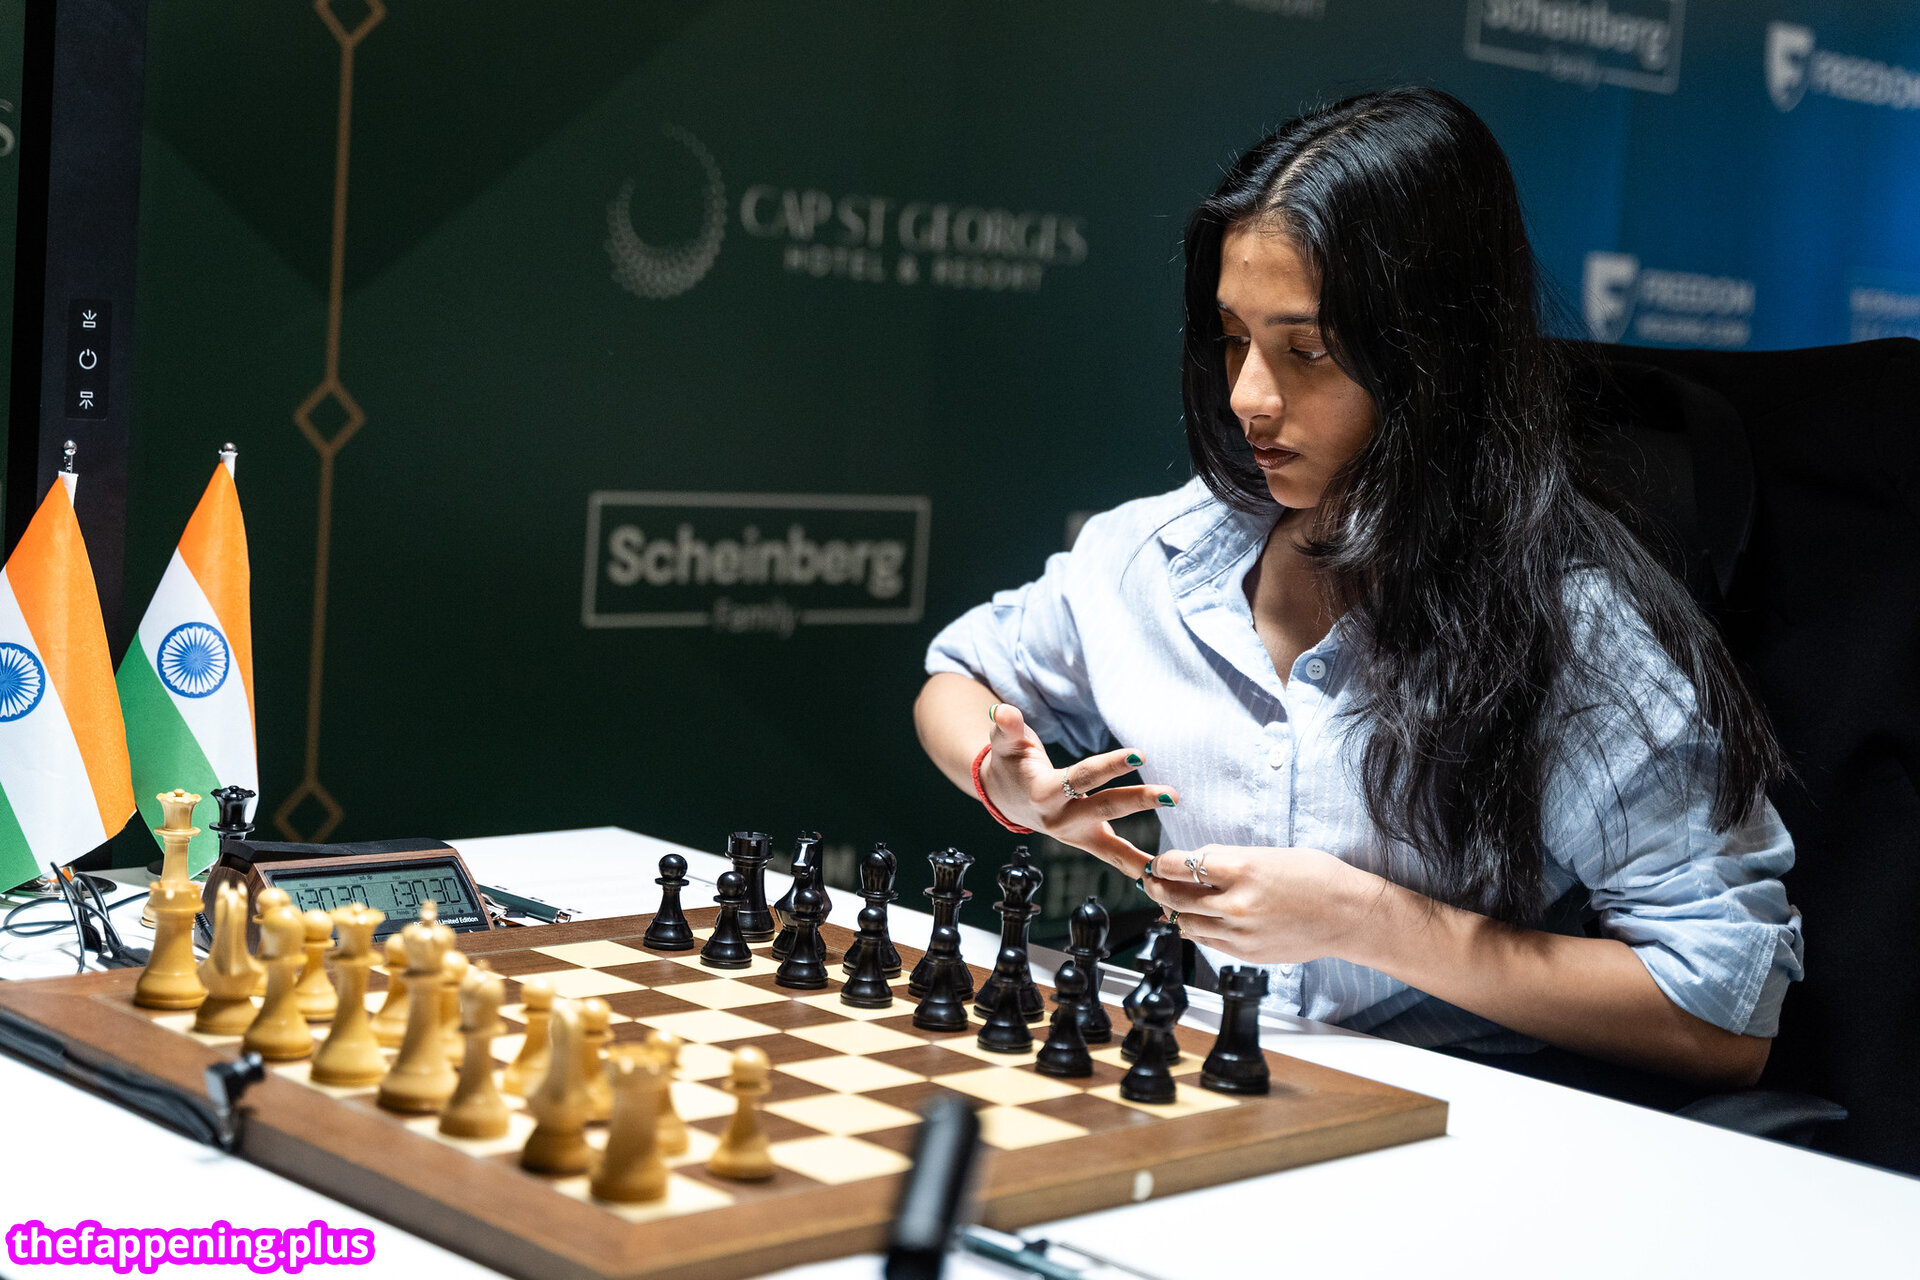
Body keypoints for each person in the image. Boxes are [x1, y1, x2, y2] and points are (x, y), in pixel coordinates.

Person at [913, 86, 1802, 1089]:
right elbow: (959, 677)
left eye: (1307, 351)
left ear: (1432, 362)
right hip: (1201, 1085)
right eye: (1234, 337)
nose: (1247, 396)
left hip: (1457, 1125)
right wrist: (1005, 779)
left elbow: (1723, 1011)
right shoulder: (1148, 556)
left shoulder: (1569, 630)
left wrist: (1368, 920)